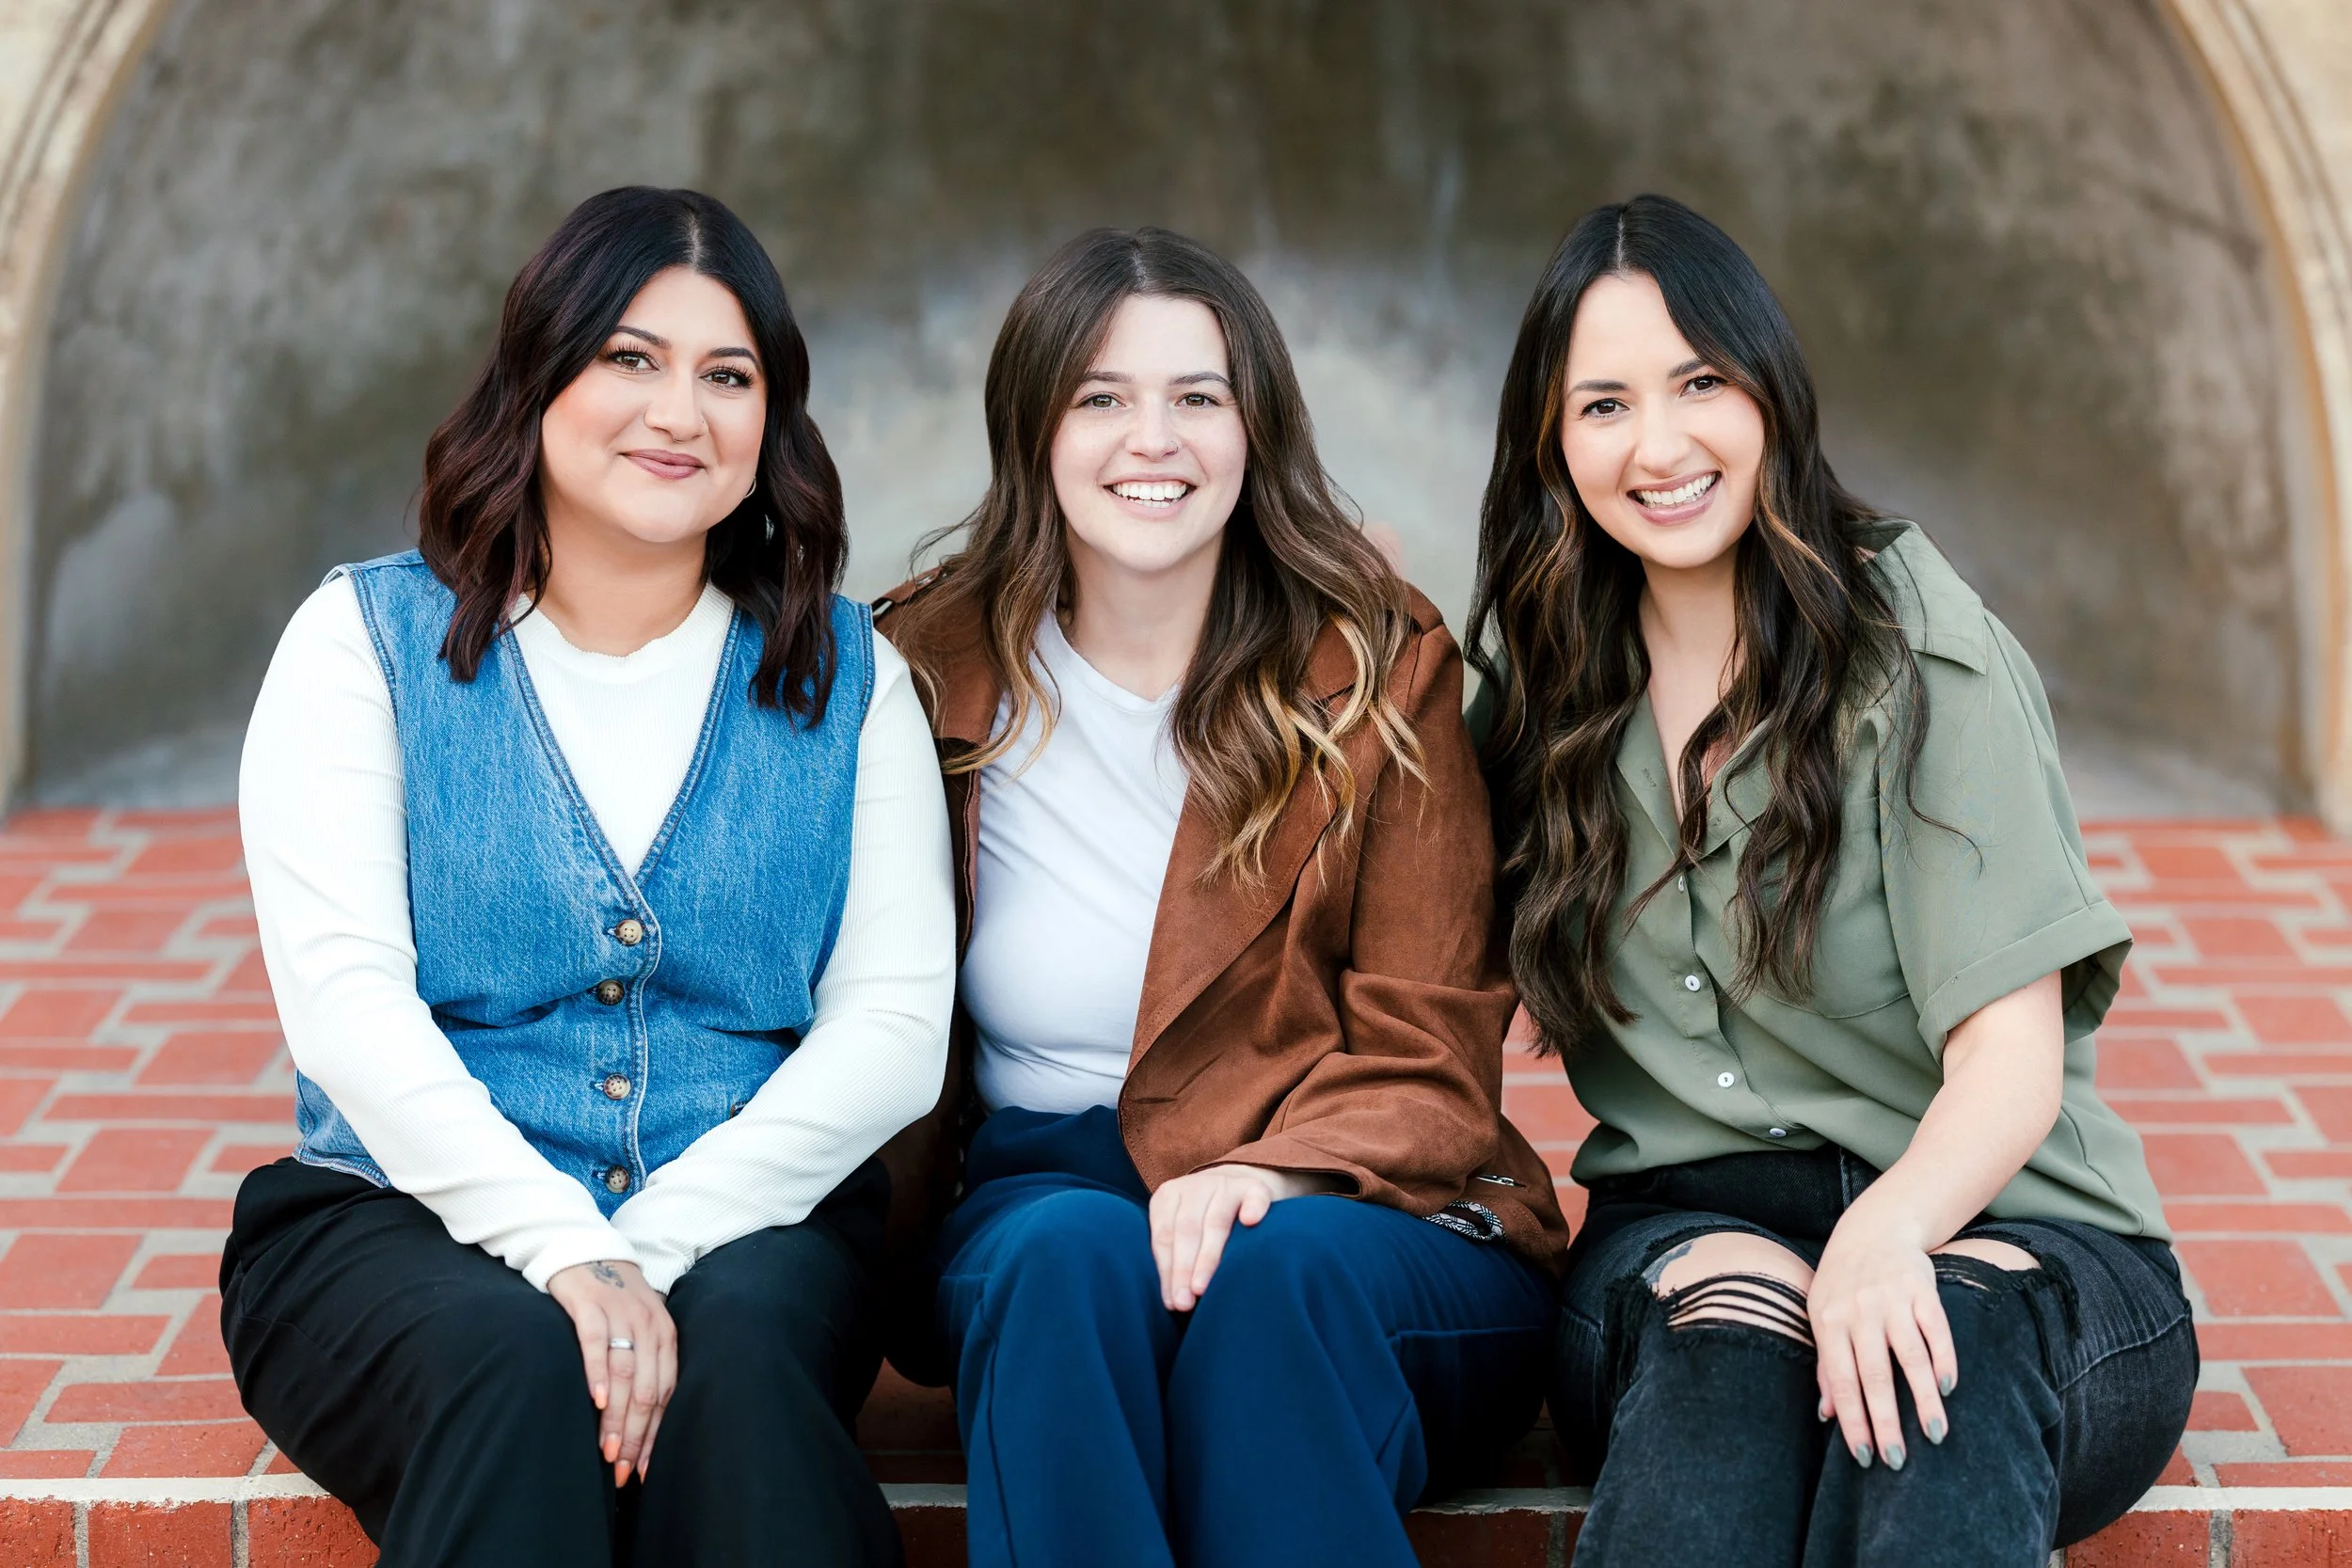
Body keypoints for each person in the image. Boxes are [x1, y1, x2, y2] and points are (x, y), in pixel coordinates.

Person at [220, 186, 954, 1568]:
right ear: (538, 373)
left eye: (726, 376)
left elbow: (896, 1034)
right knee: (514, 1371)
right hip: (390, 1216)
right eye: (631, 358)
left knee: (734, 1380)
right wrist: (564, 1248)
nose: (679, 412)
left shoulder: (856, 678)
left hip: (751, 1227)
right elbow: (346, 1008)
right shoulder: (359, 643)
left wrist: (651, 1245)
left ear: (770, 426)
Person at [1466, 192, 2195, 1566]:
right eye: (1605, 404)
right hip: (1686, 1232)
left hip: (2006, 1222)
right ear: (1554, 444)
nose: (1662, 444)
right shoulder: (1534, 676)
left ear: (1771, 394)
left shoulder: (1918, 652)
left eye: (1700, 383)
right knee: (1724, 1361)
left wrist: (1884, 1232)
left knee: (1935, 1370)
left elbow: (2008, 1055)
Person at [875, 226, 1568, 1568]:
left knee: (1272, 1276)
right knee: (1069, 1253)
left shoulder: (1374, 660)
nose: (1157, 439)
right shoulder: (923, 665)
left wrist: (1272, 1169)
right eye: (1102, 397)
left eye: (1200, 396)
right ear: (1033, 428)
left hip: (1368, 1221)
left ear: (1257, 427)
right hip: (1043, 1209)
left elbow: (1430, 1049)